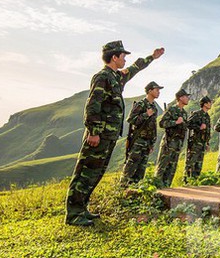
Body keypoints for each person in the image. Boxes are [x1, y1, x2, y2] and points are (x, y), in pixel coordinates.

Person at [65, 40, 164, 226]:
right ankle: (73, 213)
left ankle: (82, 209)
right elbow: (93, 104)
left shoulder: (116, 77)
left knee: (95, 173)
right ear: (114, 57)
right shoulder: (102, 77)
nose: (125, 60)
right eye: (123, 56)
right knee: (85, 172)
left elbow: (135, 68)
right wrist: (93, 132)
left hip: (108, 136)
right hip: (99, 135)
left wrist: (152, 57)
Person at [119, 81, 163, 187]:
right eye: (156, 90)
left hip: (147, 142)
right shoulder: (141, 104)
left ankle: (135, 190)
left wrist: (152, 143)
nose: (158, 92)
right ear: (149, 91)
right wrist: (145, 114)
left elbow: (153, 126)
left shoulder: (155, 108)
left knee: (141, 169)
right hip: (138, 140)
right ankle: (121, 189)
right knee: (131, 166)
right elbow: (131, 119)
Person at [154, 89, 190, 188]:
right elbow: (161, 123)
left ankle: (167, 189)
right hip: (169, 144)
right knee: (162, 167)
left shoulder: (184, 113)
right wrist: (175, 122)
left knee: (172, 169)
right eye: (186, 96)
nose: (188, 99)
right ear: (180, 98)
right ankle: (156, 190)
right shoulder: (172, 109)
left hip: (178, 145)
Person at [184, 96, 213, 181]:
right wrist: (198, 127)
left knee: (199, 164)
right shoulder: (197, 114)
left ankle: (195, 181)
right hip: (195, 143)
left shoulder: (207, 116)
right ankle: (186, 181)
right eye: (209, 102)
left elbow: (207, 131)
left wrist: (207, 143)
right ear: (204, 104)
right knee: (191, 162)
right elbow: (188, 124)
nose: (210, 104)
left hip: (203, 143)